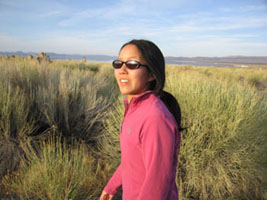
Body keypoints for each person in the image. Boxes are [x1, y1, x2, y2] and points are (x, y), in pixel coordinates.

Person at [100, 39, 182, 200]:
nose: (122, 70)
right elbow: (132, 159)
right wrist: (112, 187)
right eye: (118, 63)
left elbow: (157, 183)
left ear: (152, 74)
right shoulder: (134, 109)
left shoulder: (155, 118)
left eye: (132, 64)